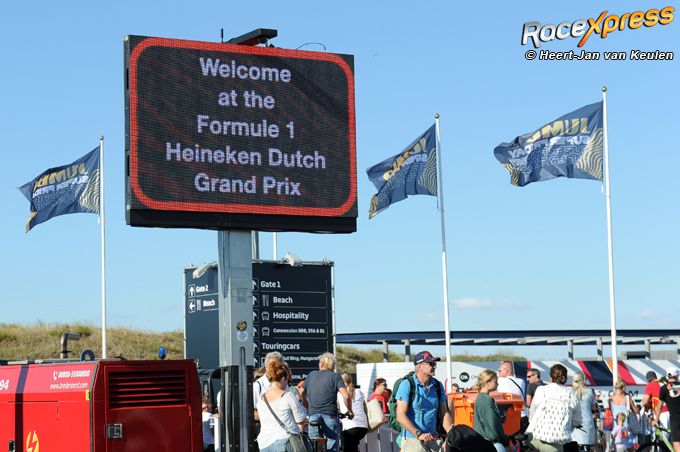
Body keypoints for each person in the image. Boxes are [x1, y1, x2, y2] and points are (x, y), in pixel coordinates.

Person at [395, 351, 453, 452]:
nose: (434, 366)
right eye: (431, 363)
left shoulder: (438, 386)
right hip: (413, 440)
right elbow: (400, 415)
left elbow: (443, 413)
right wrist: (419, 434)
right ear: (419, 366)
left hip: (434, 440)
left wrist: (451, 434)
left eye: (435, 363)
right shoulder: (407, 384)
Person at [300, 352, 353, 452]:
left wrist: (305, 403)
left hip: (313, 414)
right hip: (330, 415)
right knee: (332, 442)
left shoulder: (311, 375)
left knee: (313, 445)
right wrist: (350, 411)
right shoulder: (335, 376)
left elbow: (301, 392)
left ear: (322, 364)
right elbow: (346, 396)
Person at [527, 363, 581, 451]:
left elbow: (532, 413)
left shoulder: (541, 390)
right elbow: (577, 420)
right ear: (565, 378)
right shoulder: (570, 393)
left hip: (535, 437)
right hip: (556, 440)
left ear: (551, 377)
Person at [256, 360, 308, 452]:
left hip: (264, 443)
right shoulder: (287, 396)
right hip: (285, 441)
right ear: (283, 379)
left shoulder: (261, 398)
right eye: (287, 380)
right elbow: (301, 419)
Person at [473, 369, 509, 452]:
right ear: (488, 383)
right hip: (492, 444)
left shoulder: (479, 398)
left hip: (482, 443)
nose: (497, 383)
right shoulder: (487, 400)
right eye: (495, 381)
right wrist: (506, 442)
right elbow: (494, 426)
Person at [337, 372, 368, 452]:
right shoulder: (359, 392)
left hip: (350, 427)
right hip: (363, 427)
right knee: (353, 447)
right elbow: (364, 407)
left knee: (347, 448)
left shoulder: (340, 393)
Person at [653, 367, 680, 451]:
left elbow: (659, 406)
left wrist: (656, 419)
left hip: (675, 419)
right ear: (677, 375)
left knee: (677, 443)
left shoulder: (664, 388)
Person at [254, 352, 285, 421]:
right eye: (272, 366)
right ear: (266, 367)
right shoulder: (257, 386)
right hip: (265, 429)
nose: (275, 370)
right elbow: (251, 412)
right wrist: (271, 419)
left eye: (278, 367)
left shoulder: (284, 383)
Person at [570, 372, 596, 449]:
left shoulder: (571, 392)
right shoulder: (589, 392)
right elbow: (594, 408)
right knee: (586, 447)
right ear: (583, 380)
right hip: (587, 423)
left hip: (574, 423)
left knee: (574, 446)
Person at [609, 378, 638, 448]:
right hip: (627, 430)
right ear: (623, 388)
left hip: (616, 430)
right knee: (630, 449)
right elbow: (636, 411)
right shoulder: (627, 398)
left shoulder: (610, 399)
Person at [643, 370, 670, 440]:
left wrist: (647, 408)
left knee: (664, 438)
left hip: (661, 413)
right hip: (671, 411)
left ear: (648, 380)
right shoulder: (663, 384)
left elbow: (645, 402)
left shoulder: (650, 385)